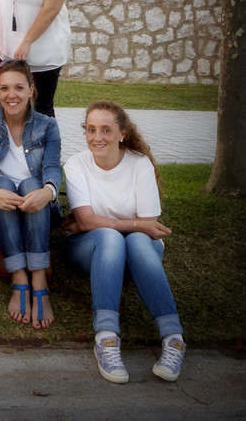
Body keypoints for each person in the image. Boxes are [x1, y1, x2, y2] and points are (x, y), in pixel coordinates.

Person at [64, 101, 185, 384]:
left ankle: (173, 339)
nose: (97, 137)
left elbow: (149, 225)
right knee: (110, 237)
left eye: (106, 130)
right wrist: (131, 224)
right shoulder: (76, 164)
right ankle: (106, 339)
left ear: (122, 133)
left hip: (137, 252)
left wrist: (127, 225)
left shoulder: (139, 163)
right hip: (91, 250)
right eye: (91, 130)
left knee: (138, 243)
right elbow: (84, 222)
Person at [0, 59, 63, 329]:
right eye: (5, 88)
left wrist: (49, 191)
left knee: (33, 184)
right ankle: (20, 277)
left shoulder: (47, 125)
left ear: (32, 90)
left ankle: (39, 279)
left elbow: (53, 167)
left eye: (20, 88)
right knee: (1, 183)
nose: (12, 95)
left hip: (39, 210)